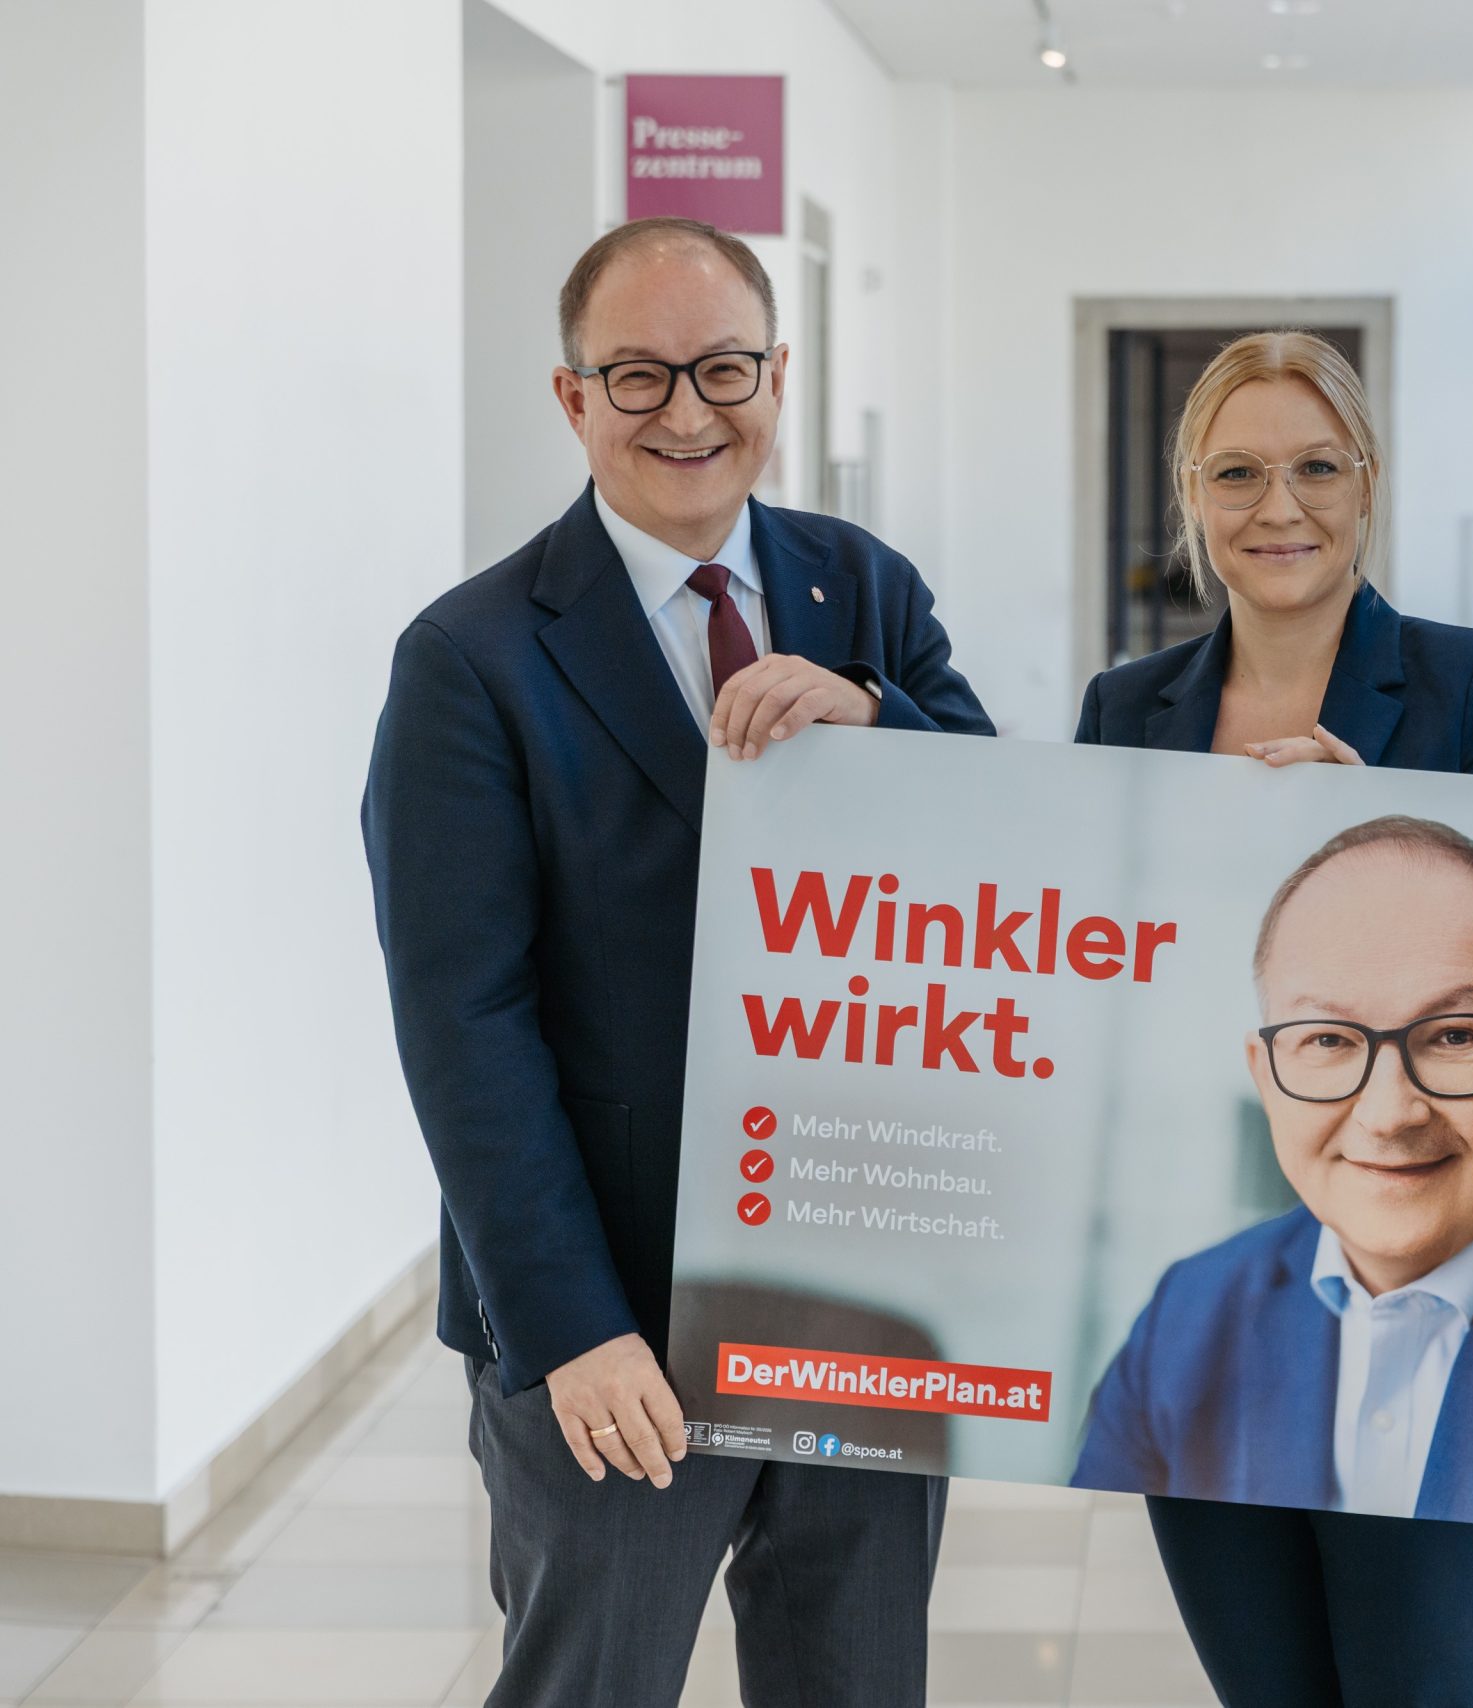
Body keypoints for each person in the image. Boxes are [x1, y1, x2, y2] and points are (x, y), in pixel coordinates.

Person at [362, 215, 992, 1708]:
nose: (688, 412)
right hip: (616, 1314)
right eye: (638, 375)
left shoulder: (862, 586)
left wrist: (877, 722)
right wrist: (569, 1327)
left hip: (849, 1280)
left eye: (723, 368)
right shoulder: (471, 658)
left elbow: (994, 841)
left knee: (854, 1680)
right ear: (572, 396)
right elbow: (463, 1023)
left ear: (779, 372)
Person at [1073, 331, 1473, 1707]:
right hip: (1216, 1309)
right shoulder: (1127, 710)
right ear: (1190, 493)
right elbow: (1091, 980)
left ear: (1368, 483)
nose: (1276, 506)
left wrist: (1381, 831)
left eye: (1315, 469)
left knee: (1426, 1683)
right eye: (1236, 473)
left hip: (1438, 1314)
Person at [1073, 813, 1473, 1545]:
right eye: (1327, 1039)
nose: (1388, 1115)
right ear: (1265, 1077)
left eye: (1454, 1036)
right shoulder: (1188, 1314)